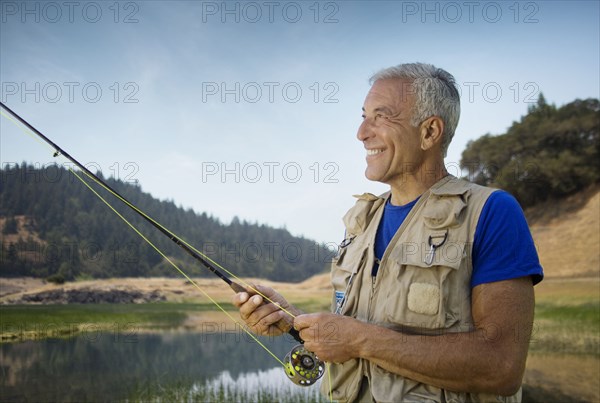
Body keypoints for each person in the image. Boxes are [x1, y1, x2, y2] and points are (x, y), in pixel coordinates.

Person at [233, 63, 544, 402]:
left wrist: (360, 340)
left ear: (429, 132)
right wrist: (291, 320)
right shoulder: (359, 222)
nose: (362, 132)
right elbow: (350, 330)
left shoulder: (491, 212)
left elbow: (501, 366)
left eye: (380, 117)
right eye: (363, 116)